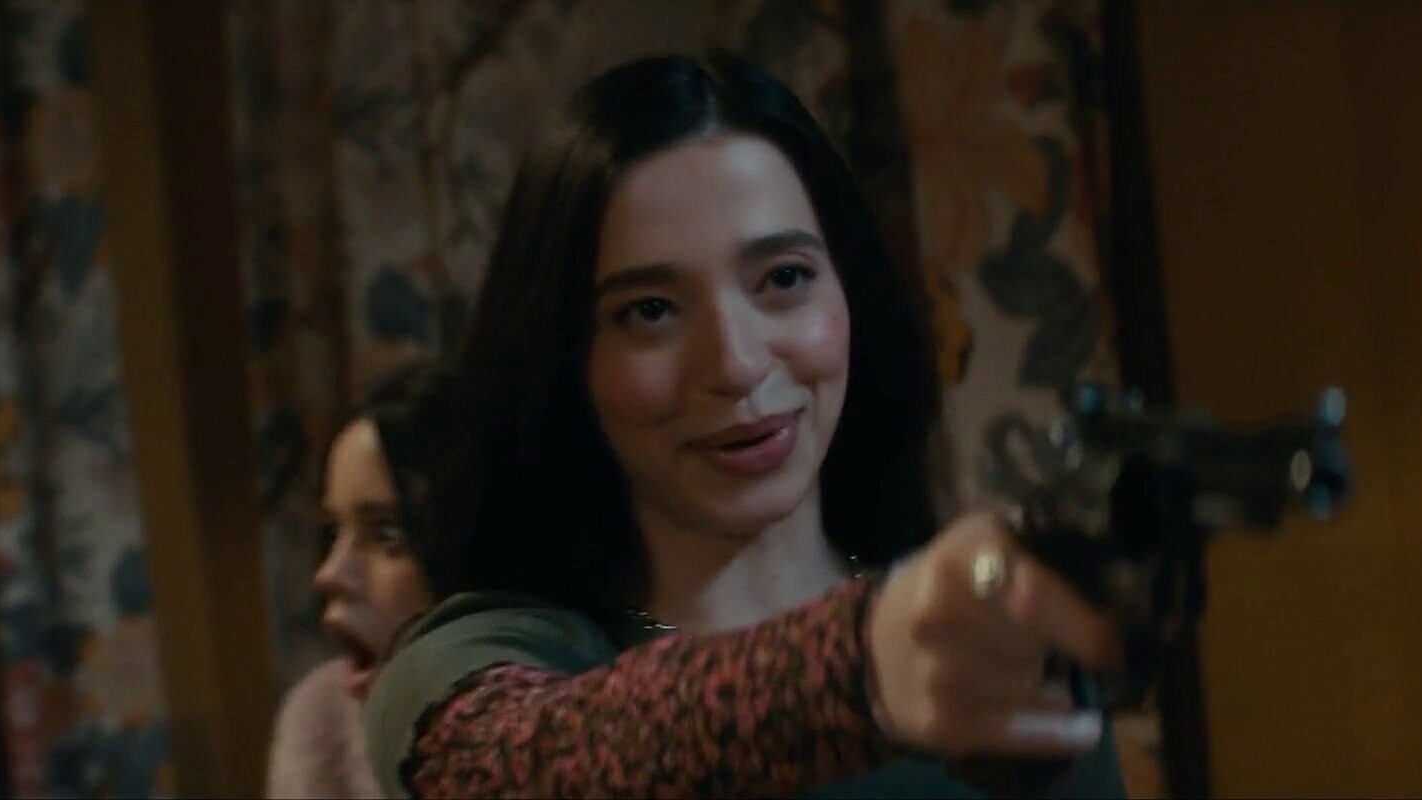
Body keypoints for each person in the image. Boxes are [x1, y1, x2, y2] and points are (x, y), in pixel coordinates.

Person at [364, 53, 1129, 799]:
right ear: (564, 356)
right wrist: (859, 668)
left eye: (784, 278)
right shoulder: (482, 656)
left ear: (850, 293)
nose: (734, 363)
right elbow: (515, 763)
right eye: (650, 311)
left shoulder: (993, 655)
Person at [266, 362, 454, 799]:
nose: (329, 573)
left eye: (386, 533)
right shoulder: (321, 722)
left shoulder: (574, 725)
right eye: (333, 531)